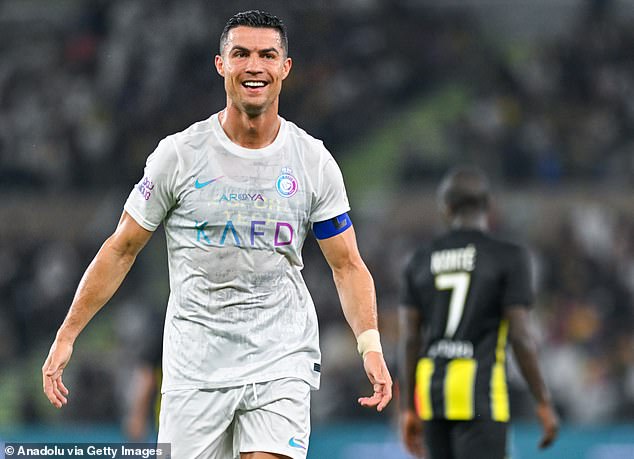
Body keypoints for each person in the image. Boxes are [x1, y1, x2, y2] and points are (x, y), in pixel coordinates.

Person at [42, 10, 392, 459]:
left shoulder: (313, 162)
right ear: (220, 64)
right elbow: (121, 248)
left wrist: (370, 344)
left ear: (285, 68)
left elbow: (347, 265)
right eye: (240, 54)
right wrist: (68, 333)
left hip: (280, 359)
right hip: (195, 367)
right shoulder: (179, 155)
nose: (254, 66)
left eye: (267, 55)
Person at [398, 166, 558, 459]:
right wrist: (543, 401)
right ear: (489, 206)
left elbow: (410, 339)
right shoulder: (509, 257)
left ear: (446, 208)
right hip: (482, 393)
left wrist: (409, 407)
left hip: (433, 394)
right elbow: (520, 336)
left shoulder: (420, 259)